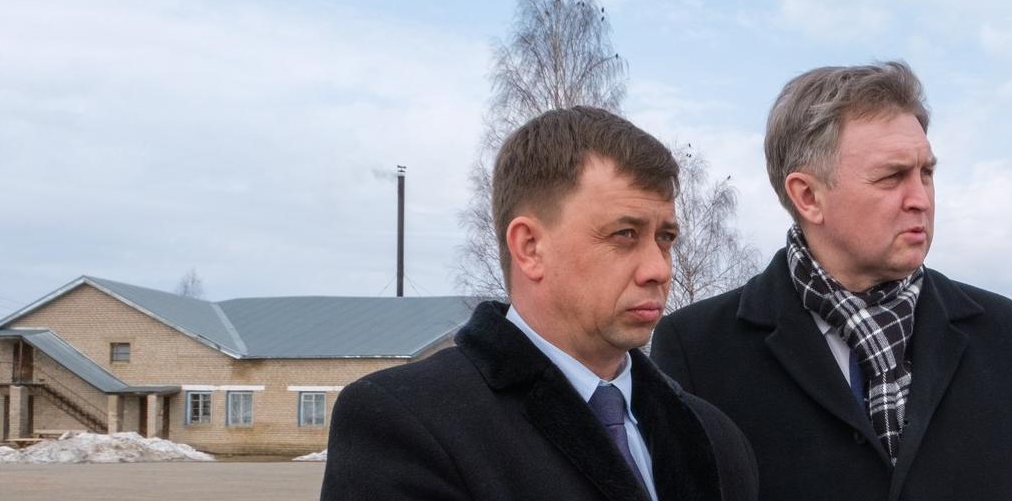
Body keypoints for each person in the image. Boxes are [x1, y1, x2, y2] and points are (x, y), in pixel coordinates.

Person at [652, 62, 1012, 501]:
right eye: (892, 177)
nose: (920, 199)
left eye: (926, 173)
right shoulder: (698, 351)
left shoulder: (1003, 335)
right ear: (808, 196)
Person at [323, 106, 757, 501]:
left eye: (665, 238)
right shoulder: (407, 422)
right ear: (530, 247)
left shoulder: (712, 436)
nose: (658, 269)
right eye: (625, 234)